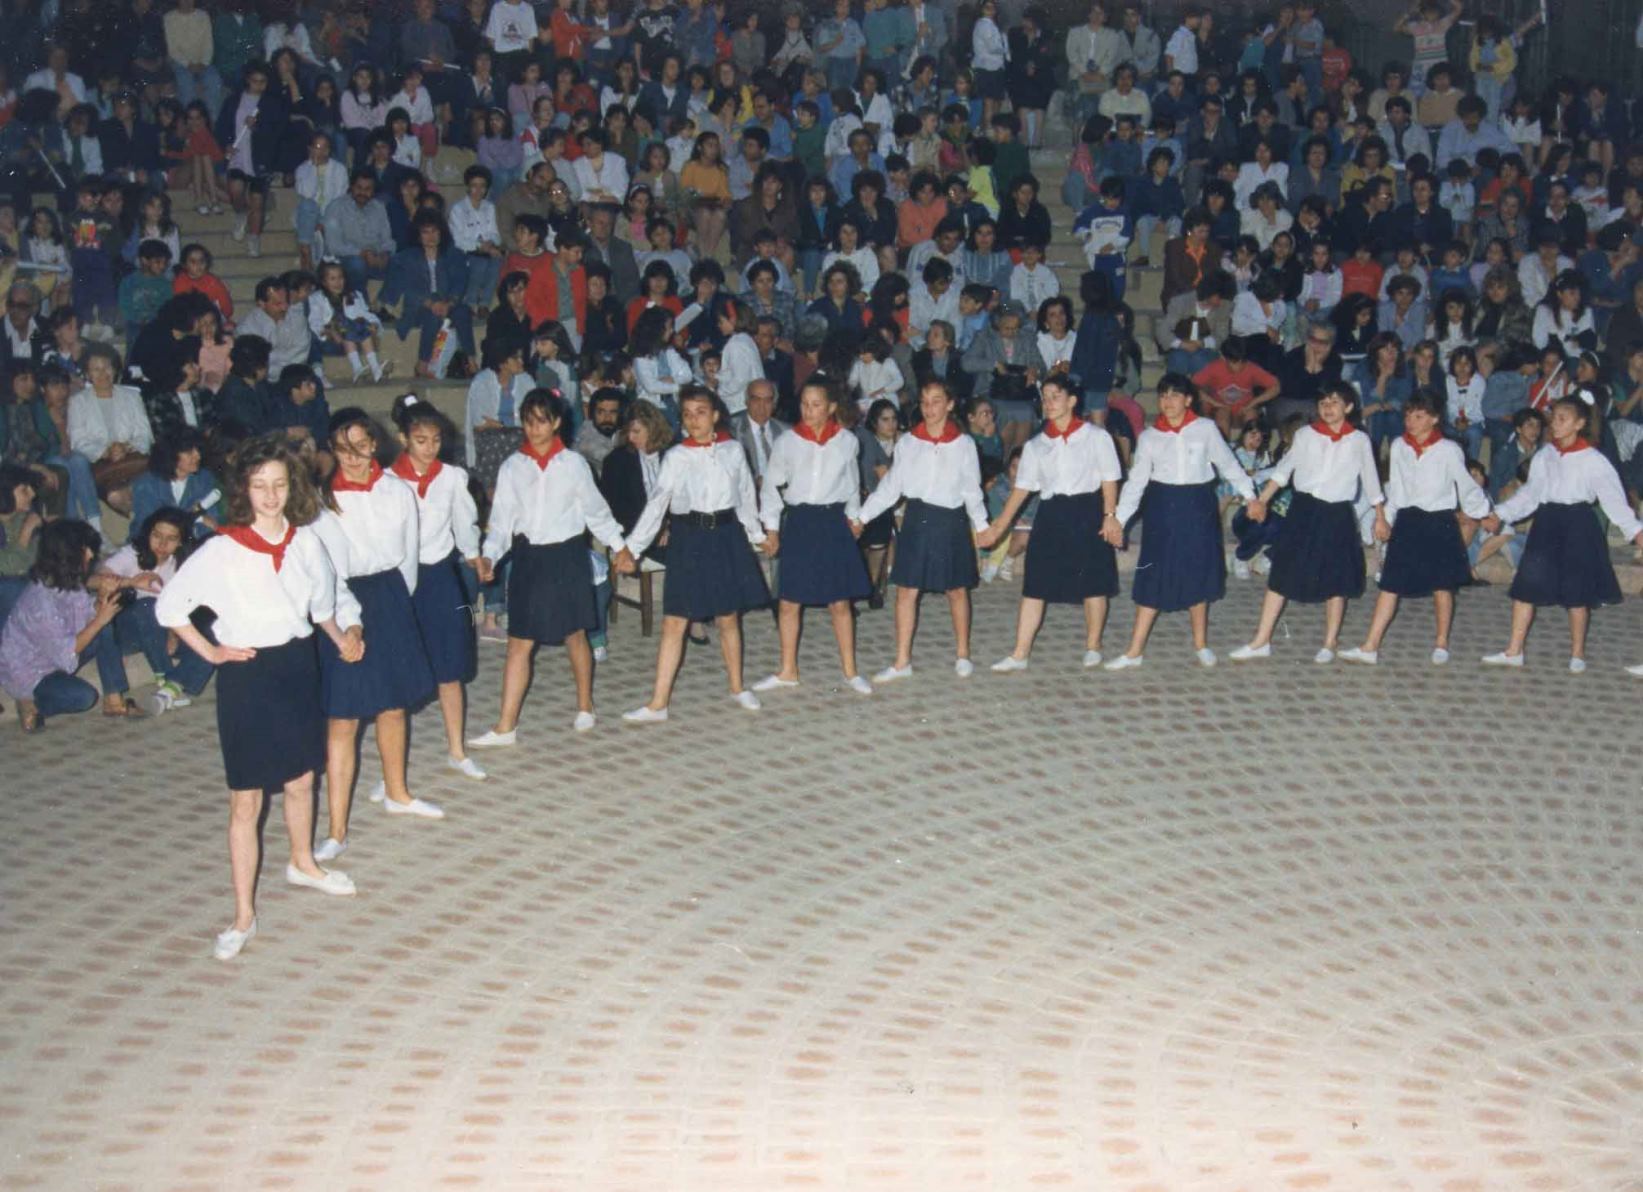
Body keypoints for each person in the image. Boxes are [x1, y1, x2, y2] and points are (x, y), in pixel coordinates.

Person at [152, 436, 363, 960]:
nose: (270, 496)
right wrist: (212, 651)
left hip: (298, 666)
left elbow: (322, 606)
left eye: (279, 485)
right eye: (259, 485)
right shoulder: (222, 549)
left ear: (292, 488)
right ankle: (243, 914)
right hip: (247, 674)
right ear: (243, 491)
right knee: (246, 799)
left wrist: (345, 638)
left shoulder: (306, 541)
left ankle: (303, 863)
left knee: (301, 779)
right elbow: (170, 607)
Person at [310, 409, 441, 868]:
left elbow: (408, 558)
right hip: (341, 601)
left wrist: (396, 606)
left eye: (362, 447)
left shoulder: (397, 491)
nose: (354, 458)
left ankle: (397, 792)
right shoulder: (320, 502)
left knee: (393, 706)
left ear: (375, 444)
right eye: (343, 449)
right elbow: (322, 570)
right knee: (343, 719)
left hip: (389, 595)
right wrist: (342, 623)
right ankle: (336, 830)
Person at [470, 388, 635, 743]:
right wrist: (490, 556)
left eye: (542, 422)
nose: (535, 430)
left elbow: (596, 512)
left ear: (557, 423)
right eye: (529, 422)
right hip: (529, 558)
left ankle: (585, 705)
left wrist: (620, 547)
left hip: (566, 557)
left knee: (574, 634)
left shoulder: (574, 464)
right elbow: (501, 522)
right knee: (519, 642)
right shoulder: (512, 467)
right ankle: (505, 726)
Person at [621, 384, 773, 721]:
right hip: (689, 539)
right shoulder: (676, 456)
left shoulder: (733, 450)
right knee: (675, 620)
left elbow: (745, 495)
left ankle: (738, 686)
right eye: (687, 414)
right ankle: (658, 703)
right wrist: (632, 547)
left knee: (728, 616)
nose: (694, 420)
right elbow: (658, 502)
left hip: (726, 536)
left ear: (715, 415)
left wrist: (757, 533)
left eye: (701, 412)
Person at [1480, 394, 1643, 673]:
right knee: (1525, 587)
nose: (1554, 424)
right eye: (1554, 418)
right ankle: (1514, 650)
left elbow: (1614, 501)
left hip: (1578, 524)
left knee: (1577, 593)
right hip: (1547, 522)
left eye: (1562, 419)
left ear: (1579, 424)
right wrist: (1501, 513)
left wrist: (1636, 531)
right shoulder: (1545, 455)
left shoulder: (1594, 460)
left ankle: (1577, 653)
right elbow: (1530, 494)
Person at [1106, 373, 1257, 670]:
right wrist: (1119, 520)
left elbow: (1229, 464)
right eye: (1163, 396)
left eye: (1175, 395)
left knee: (1197, 571)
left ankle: (1201, 644)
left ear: (1188, 400)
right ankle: (1134, 651)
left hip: (1198, 506)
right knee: (1154, 574)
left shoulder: (1206, 429)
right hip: (1162, 507)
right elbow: (1137, 482)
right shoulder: (1149, 437)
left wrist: (1251, 497)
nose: (1168, 402)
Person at [1230, 382, 1383, 663]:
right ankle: (1261, 640)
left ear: (1348, 407)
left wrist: (1380, 517)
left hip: (1337, 514)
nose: (1328, 408)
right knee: (1281, 572)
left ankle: (1330, 642)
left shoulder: (1360, 440)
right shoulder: (1305, 435)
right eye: (1323, 403)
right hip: (1304, 510)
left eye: (1334, 402)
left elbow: (1372, 481)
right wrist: (1261, 501)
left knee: (1335, 579)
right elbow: (1283, 471)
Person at [1340, 388, 1492, 666]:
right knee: (1390, 584)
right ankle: (1370, 646)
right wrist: (1385, 518)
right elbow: (1396, 488)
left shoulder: (1449, 450)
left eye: (1419, 416)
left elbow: (1466, 485)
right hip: (1409, 520)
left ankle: (1441, 642)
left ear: (1434, 419)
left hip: (1439, 521)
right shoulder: (1399, 445)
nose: (1411, 421)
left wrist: (1483, 512)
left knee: (1442, 586)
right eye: (1408, 415)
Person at [980, 376, 1122, 671]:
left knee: (1093, 584)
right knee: (1035, 585)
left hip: (1088, 511)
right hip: (1051, 513)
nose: (1049, 403)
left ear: (1072, 401)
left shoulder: (1096, 437)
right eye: (1045, 397)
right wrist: (998, 527)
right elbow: (1022, 489)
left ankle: (1093, 645)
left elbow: (1109, 478)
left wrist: (1110, 517)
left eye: (1055, 396)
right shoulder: (1036, 445)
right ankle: (1019, 654)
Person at [852, 380, 988, 682]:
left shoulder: (964, 444)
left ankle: (963, 654)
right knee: (906, 590)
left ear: (949, 405)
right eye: (925, 402)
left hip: (951, 520)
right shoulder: (909, 443)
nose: (929, 408)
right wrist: (862, 517)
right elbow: (891, 487)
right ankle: (902, 662)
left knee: (956, 590)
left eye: (936, 401)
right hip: (917, 519)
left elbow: (972, 489)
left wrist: (982, 526)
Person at [751, 378, 872, 696]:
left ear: (831, 407)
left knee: (840, 602)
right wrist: (772, 528)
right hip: (800, 522)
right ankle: (787, 670)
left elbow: (851, 483)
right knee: (789, 601)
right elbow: (771, 487)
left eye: (816, 405)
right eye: (804, 404)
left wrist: (854, 517)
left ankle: (850, 671)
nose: (808, 410)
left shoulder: (846, 441)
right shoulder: (787, 442)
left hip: (832, 522)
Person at [388, 395, 487, 781]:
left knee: (450, 667)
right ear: (403, 439)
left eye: (435, 440)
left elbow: (464, 522)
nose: (429, 448)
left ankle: (457, 751)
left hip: (441, 577)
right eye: (420, 441)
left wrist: (474, 555)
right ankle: (392, 769)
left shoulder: (452, 477)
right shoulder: (388, 482)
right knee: (399, 673)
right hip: (401, 579)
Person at [0, 519, 142, 728]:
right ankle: (31, 703)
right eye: (85, 549)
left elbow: (87, 614)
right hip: (32, 673)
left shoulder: (68, 581)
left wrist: (102, 599)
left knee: (105, 626)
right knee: (83, 698)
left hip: (58, 656)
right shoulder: (40, 601)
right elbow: (65, 652)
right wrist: (100, 619)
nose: (91, 555)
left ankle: (114, 698)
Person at [96, 506, 215, 712]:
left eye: (171, 538)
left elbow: (181, 608)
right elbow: (95, 579)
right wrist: (132, 581)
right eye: (157, 536)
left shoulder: (181, 565)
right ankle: (165, 677)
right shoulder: (132, 554)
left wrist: (173, 634)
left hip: (161, 632)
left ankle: (170, 689)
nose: (162, 544)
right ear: (148, 534)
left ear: (180, 542)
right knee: (147, 606)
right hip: (127, 630)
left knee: (214, 636)